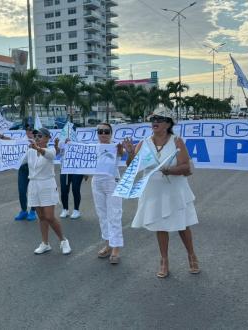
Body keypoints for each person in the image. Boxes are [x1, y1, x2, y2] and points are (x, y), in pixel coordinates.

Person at [123, 109, 199, 278]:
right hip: (153, 191)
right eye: (153, 119)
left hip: (174, 190)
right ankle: (164, 260)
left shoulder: (177, 141)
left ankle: (192, 255)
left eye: (159, 119)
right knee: (160, 226)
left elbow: (186, 167)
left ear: (168, 123)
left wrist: (170, 170)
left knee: (182, 225)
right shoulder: (144, 142)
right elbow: (132, 167)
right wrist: (130, 153)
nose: (155, 121)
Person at [26, 127, 71, 255]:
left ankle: (63, 240)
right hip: (34, 185)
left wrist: (38, 148)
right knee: (41, 217)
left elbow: (50, 155)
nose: (37, 138)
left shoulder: (50, 150)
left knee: (49, 216)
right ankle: (45, 243)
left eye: (40, 136)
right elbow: (17, 160)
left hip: (47, 185)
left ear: (47, 138)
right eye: (35, 136)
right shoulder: (29, 151)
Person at [91, 123, 124, 264]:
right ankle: (108, 244)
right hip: (97, 182)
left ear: (111, 133)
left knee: (114, 214)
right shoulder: (92, 148)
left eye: (106, 131)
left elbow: (122, 154)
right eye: (100, 131)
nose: (103, 134)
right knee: (102, 214)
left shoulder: (116, 146)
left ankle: (116, 248)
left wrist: (122, 150)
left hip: (112, 182)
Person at [0, 124, 37, 221]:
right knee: (22, 190)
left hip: (33, 168)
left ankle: (33, 211)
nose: (29, 131)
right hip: (23, 168)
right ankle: (23, 211)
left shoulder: (38, 141)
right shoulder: (22, 140)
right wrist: (0, 137)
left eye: (31, 129)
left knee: (33, 191)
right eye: (27, 129)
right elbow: (10, 141)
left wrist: (35, 146)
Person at [54, 138, 85, 219]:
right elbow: (57, 154)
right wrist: (56, 145)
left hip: (78, 169)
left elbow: (84, 155)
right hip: (65, 169)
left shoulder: (79, 140)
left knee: (75, 189)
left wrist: (85, 171)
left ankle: (76, 210)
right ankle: (65, 209)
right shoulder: (62, 141)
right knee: (64, 190)